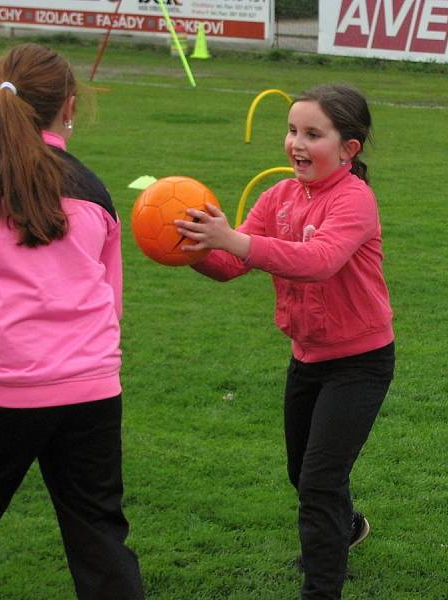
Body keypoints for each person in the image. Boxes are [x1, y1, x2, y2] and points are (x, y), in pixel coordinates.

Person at [176, 84, 395, 599]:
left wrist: (236, 239)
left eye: (312, 134)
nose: (296, 142)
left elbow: (318, 261)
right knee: (304, 473)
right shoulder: (278, 197)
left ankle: (321, 589)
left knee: (319, 480)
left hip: (360, 361)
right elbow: (231, 264)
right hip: (307, 358)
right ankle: (347, 528)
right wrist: (191, 248)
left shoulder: (355, 201)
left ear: (349, 149)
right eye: (293, 130)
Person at [0, 43, 144, 600]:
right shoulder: (96, 192)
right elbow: (113, 303)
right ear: (69, 106)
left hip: (3, 392)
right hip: (92, 388)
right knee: (98, 531)